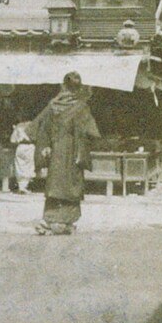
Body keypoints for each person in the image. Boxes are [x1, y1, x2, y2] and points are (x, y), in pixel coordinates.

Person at [33, 71, 101, 236]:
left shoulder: (53, 105)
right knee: (71, 185)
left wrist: (46, 145)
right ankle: (66, 222)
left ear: (63, 85)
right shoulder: (81, 107)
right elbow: (92, 133)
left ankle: (50, 220)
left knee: (55, 184)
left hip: (56, 152)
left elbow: (39, 126)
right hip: (73, 153)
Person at [10, 119, 36, 194]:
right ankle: (24, 186)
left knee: (19, 166)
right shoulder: (33, 125)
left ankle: (21, 186)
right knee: (29, 166)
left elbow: (12, 140)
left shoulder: (18, 126)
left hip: (20, 146)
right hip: (30, 146)